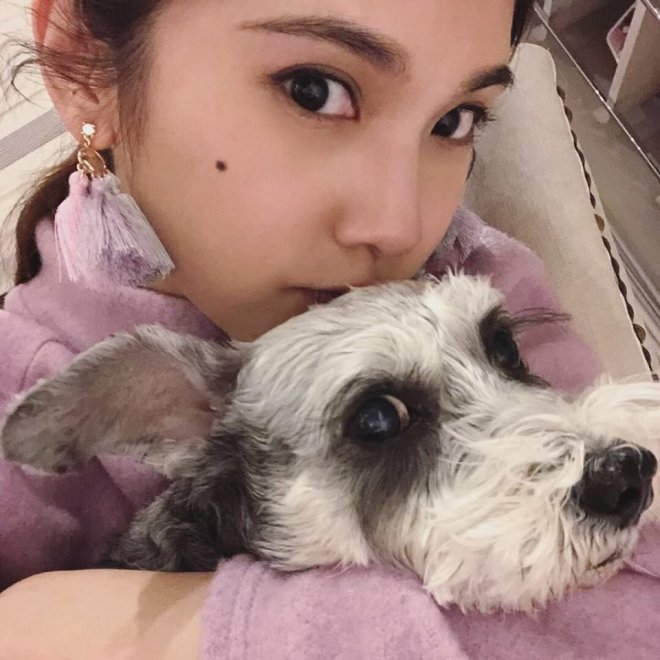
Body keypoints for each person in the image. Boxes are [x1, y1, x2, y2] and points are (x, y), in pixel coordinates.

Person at [0, 1, 658, 658]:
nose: (400, 225)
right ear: (85, 63)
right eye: (314, 91)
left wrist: (154, 631)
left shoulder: (481, 269)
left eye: (454, 121)